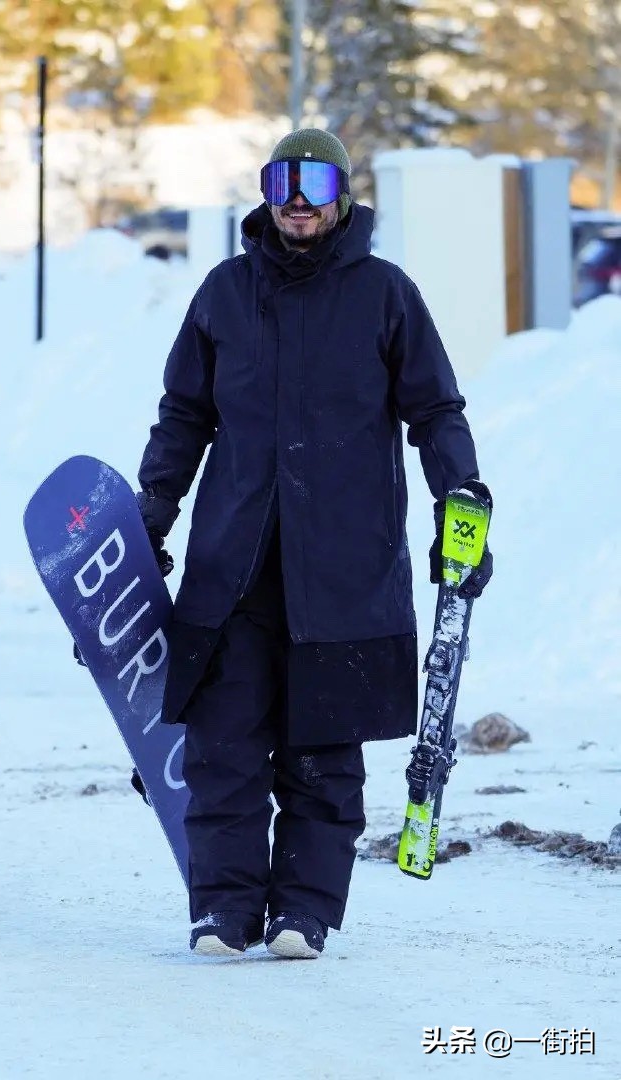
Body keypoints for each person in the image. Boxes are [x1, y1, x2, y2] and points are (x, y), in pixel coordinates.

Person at [136, 129, 492, 959]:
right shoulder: (224, 293)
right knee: (223, 748)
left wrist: (460, 498)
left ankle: (304, 912)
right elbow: (184, 414)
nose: (297, 198)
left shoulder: (385, 295)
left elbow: (436, 410)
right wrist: (154, 509)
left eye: (314, 180)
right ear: (265, 193)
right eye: (280, 181)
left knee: (323, 756)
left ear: (342, 194)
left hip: (344, 568)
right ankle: (223, 910)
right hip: (236, 565)